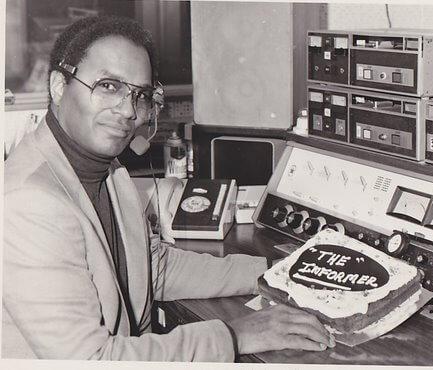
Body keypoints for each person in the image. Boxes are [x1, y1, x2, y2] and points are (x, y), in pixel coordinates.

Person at [2, 15, 335, 361]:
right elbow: (91, 361)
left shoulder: (109, 172)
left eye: (140, 95)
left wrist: (274, 272)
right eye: (109, 86)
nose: (128, 111)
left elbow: (153, 269)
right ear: (59, 86)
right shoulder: (29, 201)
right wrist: (234, 336)